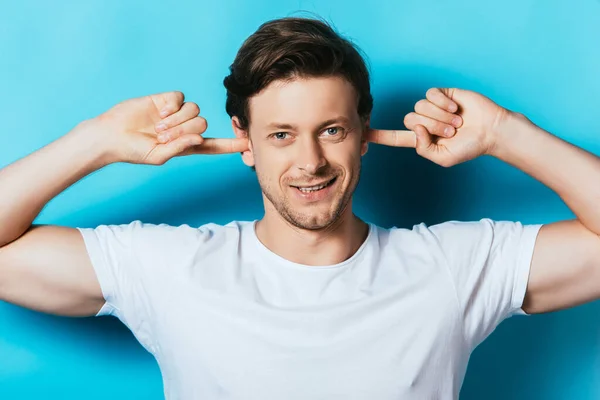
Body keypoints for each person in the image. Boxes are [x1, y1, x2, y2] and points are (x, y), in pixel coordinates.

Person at [0, 16, 598, 400]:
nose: (310, 162)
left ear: (365, 131)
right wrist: (97, 140)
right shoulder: (168, 267)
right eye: (281, 135)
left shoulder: (453, 266)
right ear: (244, 141)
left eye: (332, 130)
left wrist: (503, 133)